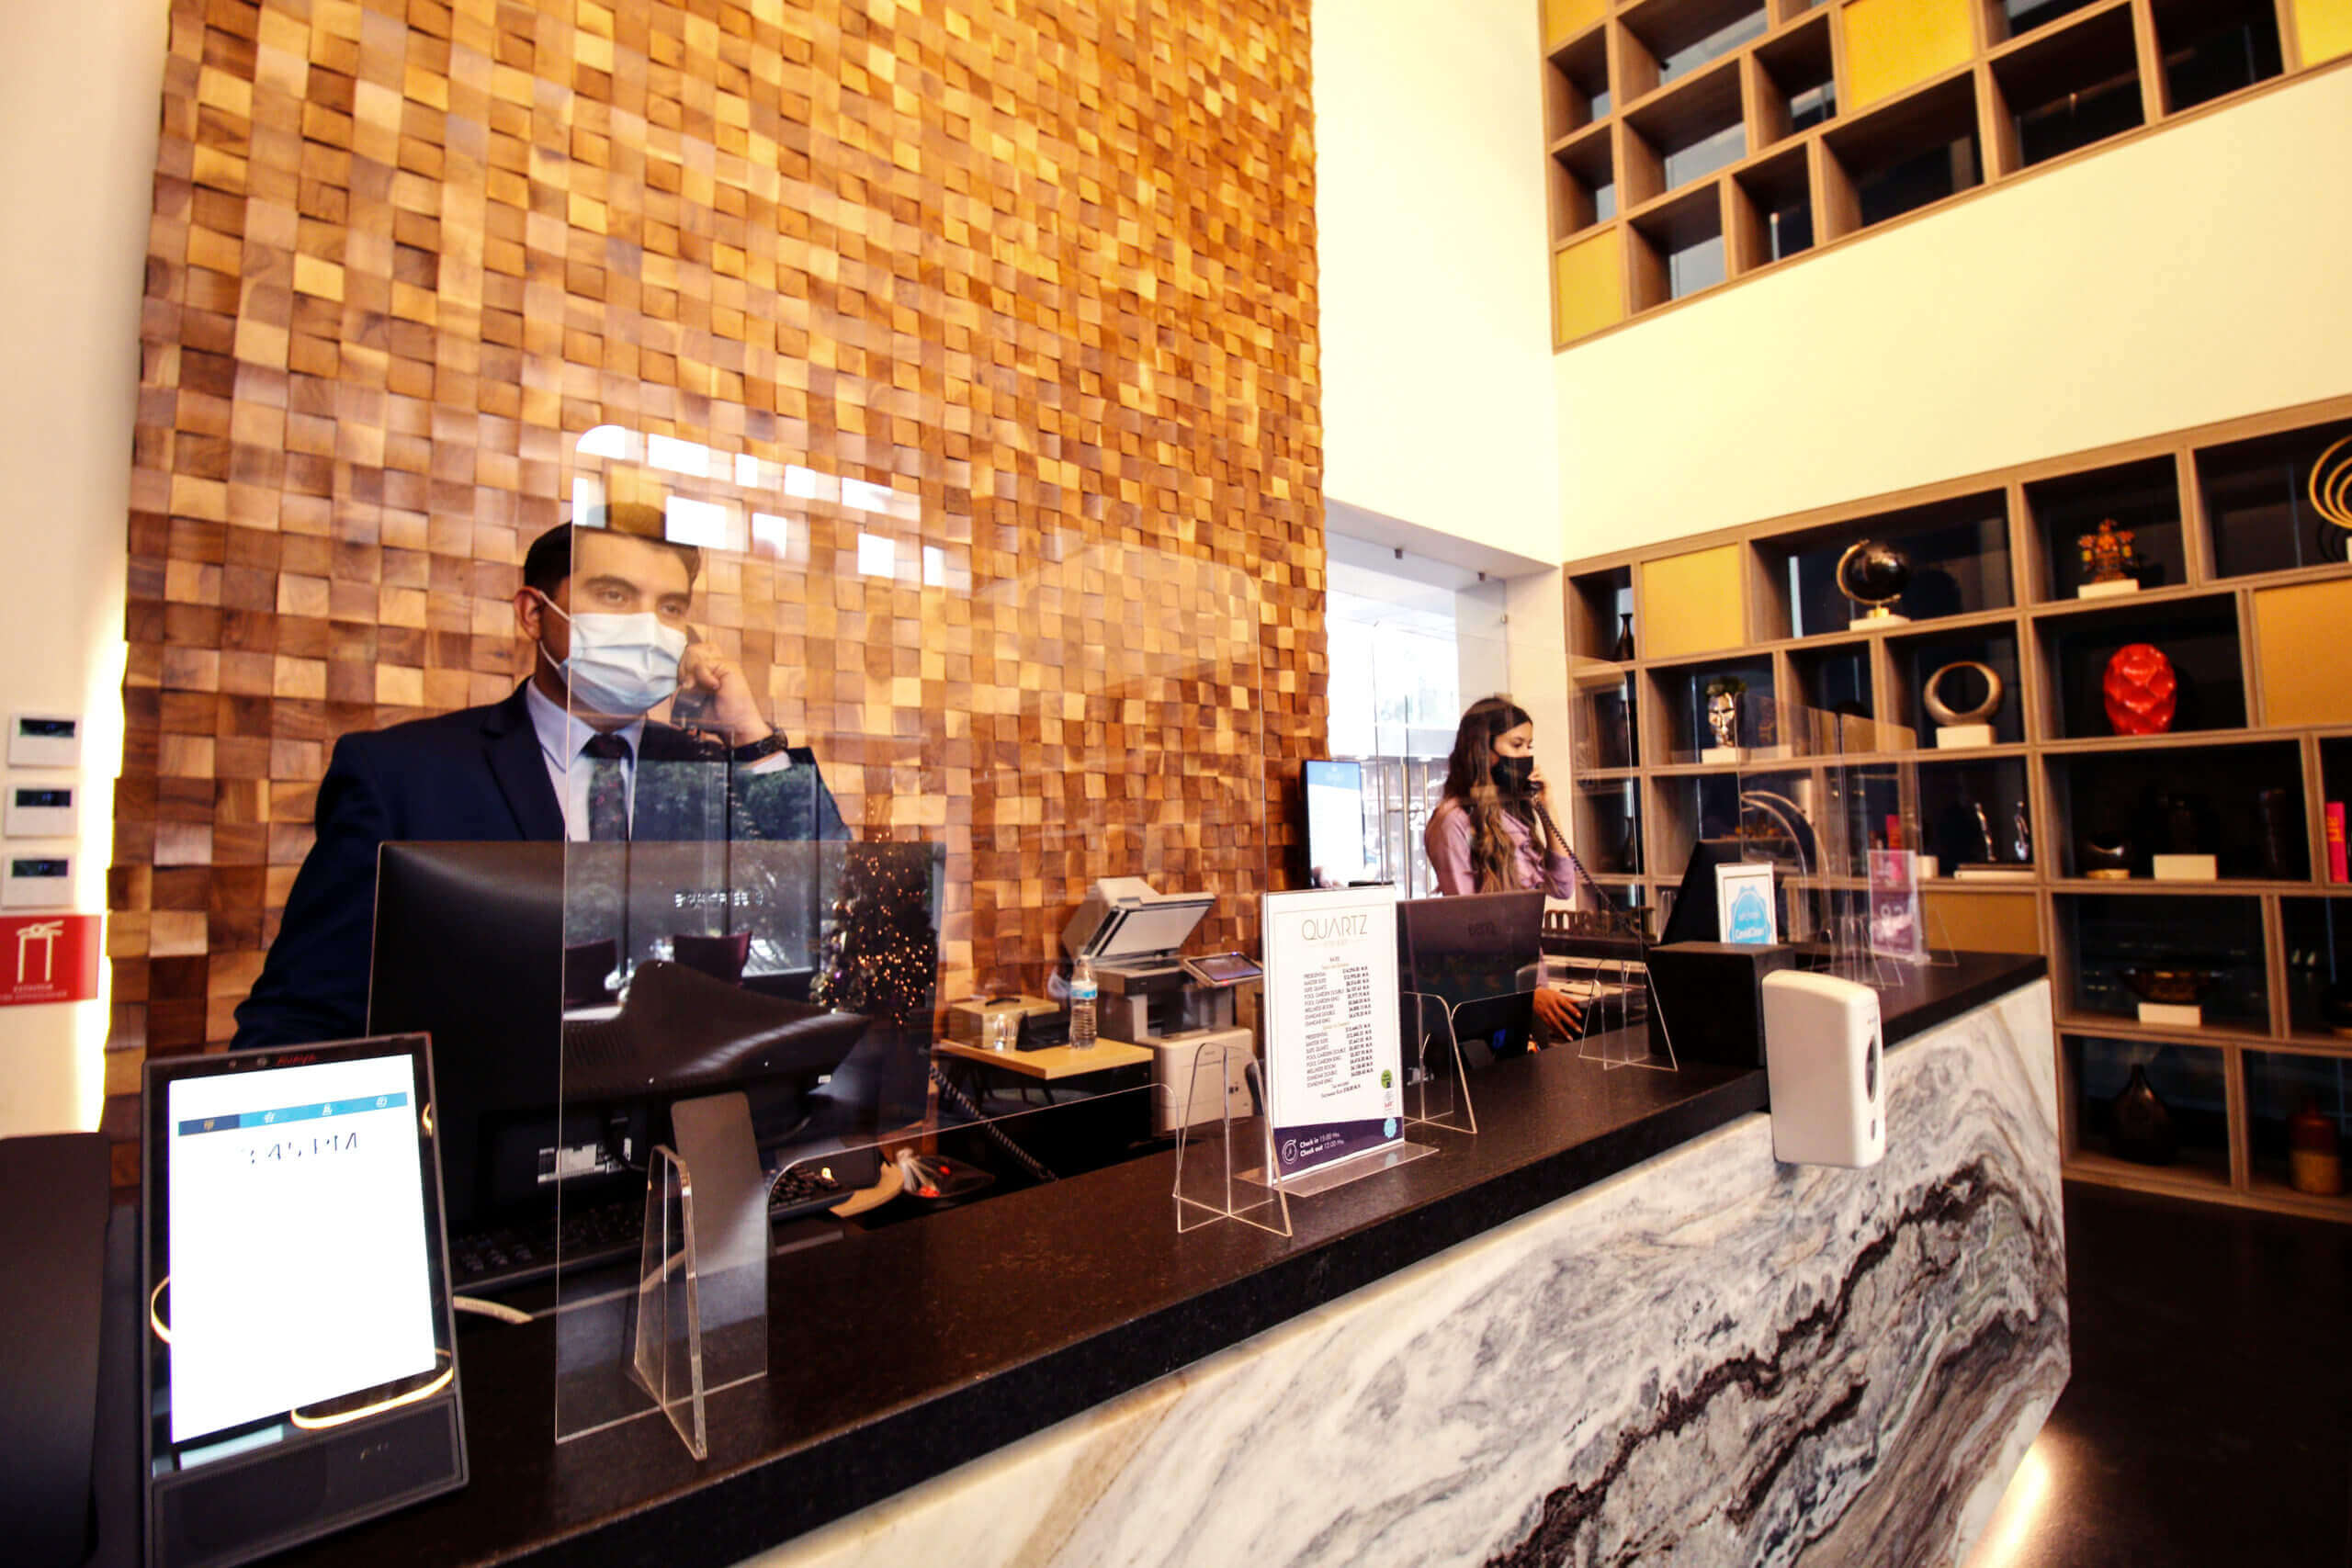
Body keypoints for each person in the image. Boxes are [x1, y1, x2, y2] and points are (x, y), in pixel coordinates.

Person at [232, 513, 844, 1049]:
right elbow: (300, 1016)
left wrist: (750, 736)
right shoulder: (399, 776)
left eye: (670, 608)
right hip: (484, 1158)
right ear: (534, 612)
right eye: (614, 593)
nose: (649, 627)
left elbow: (838, 908)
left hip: (684, 1155)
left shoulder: (715, 772)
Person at [1423, 695, 1582, 1038]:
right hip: (1493, 998)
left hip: (1533, 986)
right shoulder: (1454, 822)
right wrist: (1524, 994)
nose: (1527, 755)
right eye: (1516, 744)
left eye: (1529, 745)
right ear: (1485, 751)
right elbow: (1468, 932)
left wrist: (1548, 808)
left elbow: (1563, 886)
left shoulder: (1514, 816)